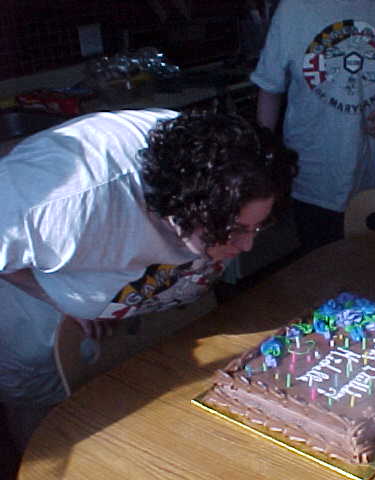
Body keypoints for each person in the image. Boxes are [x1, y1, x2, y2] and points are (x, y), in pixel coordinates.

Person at [0, 108, 297, 460]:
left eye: (256, 228)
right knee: (54, 438)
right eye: (234, 230)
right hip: (39, 327)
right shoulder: (62, 199)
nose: (247, 246)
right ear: (182, 207)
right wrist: (55, 298)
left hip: (143, 322)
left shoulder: (230, 168)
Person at [252, 0, 375, 254]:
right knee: (320, 268)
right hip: (314, 180)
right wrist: (261, 162)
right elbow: (269, 87)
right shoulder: (293, 9)